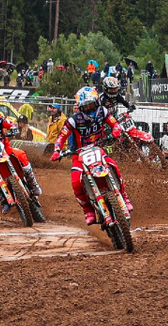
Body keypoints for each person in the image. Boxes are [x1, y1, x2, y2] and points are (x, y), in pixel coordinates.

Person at [48, 87, 129, 226]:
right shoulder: (73, 120)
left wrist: (116, 131)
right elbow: (61, 136)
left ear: (97, 102)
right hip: (79, 155)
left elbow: (115, 124)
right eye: (85, 106)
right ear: (80, 107)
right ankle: (88, 210)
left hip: (99, 149)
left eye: (91, 104)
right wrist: (57, 150)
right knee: (76, 182)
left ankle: (124, 197)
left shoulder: (103, 111)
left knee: (113, 166)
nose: (89, 108)